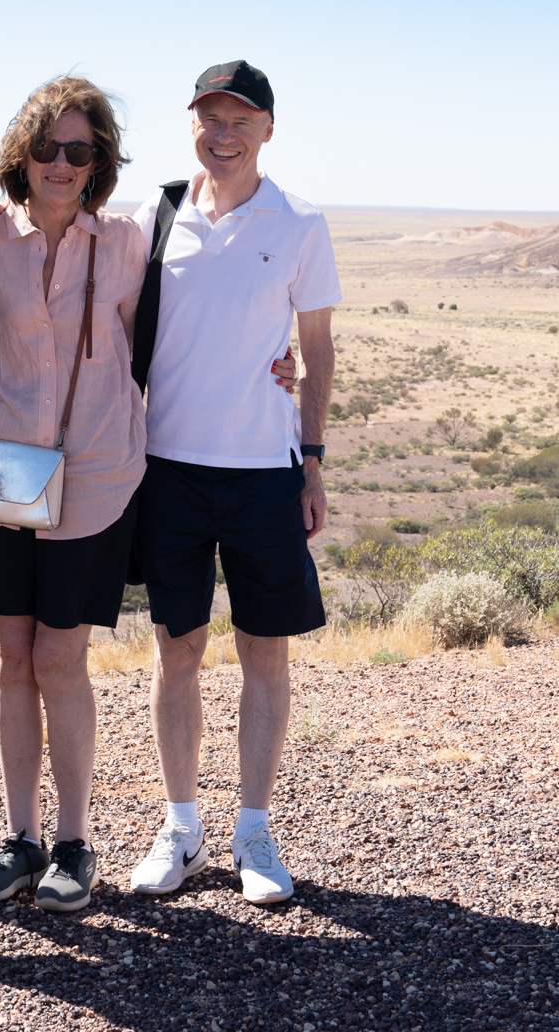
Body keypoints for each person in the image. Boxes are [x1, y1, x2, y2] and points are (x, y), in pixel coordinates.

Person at [126, 61, 340, 905]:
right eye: (209, 119)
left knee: (264, 654)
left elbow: (315, 350)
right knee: (176, 652)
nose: (223, 135)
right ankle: (181, 829)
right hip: (168, 469)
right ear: (192, 125)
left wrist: (311, 458)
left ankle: (255, 831)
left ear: (268, 130)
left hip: (263, 474)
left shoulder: (300, 223)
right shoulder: (154, 218)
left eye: (239, 121)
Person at [0, 76, 142, 914]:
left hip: (95, 477)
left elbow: (165, 342)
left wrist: (285, 365)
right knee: (11, 660)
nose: (61, 163)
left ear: (98, 161)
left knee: (61, 661)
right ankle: (18, 841)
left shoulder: (126, 245)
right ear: (21, 155)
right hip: (0, 477)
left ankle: (73, 844)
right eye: (47, 147)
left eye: (79, 149)